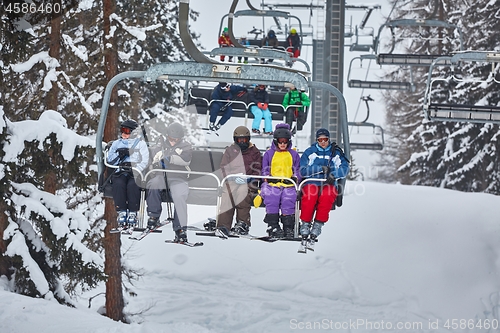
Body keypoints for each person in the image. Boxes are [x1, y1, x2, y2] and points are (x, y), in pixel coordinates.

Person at [299, 128, 350, 248]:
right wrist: (319, 169)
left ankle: (318, 225)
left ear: (328, 139)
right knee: (310, 196)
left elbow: (344, 168)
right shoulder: (310, 152)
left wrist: (334, 175)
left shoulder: (335, 153)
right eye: (320, 139)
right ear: (316, 140)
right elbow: (302, 171)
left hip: (328, 182)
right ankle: (305, 223)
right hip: (312, 182)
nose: (322, 142)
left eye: (325, 139)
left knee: (327, 196)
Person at [146, 122, 193, 243]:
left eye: (176, 139)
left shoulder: (186, 146)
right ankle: (153, 216)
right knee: (154, 184)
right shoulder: (160, 145)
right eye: (171, 139)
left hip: (179, 177)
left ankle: (180, 228)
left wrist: (170, 158)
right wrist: (158, 161)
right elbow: (153, 158)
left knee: (180, 194)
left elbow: (186, 160)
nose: (173, 141)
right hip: (162, 175)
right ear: (167, 136)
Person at [216, 126, 262, 237]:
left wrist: (251, 178)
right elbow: (224, 167)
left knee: (243, 192)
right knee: (228, 193)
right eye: (239, 140)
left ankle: (243, 224)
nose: (242, 142)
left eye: (244, 140)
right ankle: (223, 225)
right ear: (235, 140)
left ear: (248, 139)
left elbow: (258, 169)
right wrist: (231, 177)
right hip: (232, 180)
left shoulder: (254, 152)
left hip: (248, 182)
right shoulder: (230, 151)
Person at [260, 123, 301, 239]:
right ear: (275, 141)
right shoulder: (269, 153)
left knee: (289, 198)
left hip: (288, 184)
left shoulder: (293, 154)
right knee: (272, 196)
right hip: (272, 183)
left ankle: (288, 226)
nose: (283, 144)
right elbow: (265, 169)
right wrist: (267, 177)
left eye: (285, 142)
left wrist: (295, 178)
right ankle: (273, 225)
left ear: (288, 141)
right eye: (280, 141)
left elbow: (297, 169)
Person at [107, 119, 149, 229]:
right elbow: (110, 160)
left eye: (127, 131)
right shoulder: (116, 144)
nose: (124, 134)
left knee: (133, 185)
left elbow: (145, 160)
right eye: (122, 130)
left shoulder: (140, 144)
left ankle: (132, 211)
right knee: (118, 184)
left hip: (134, 171)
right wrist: (119, 156)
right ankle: (121, 211)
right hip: (120, 170)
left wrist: (136, 169)